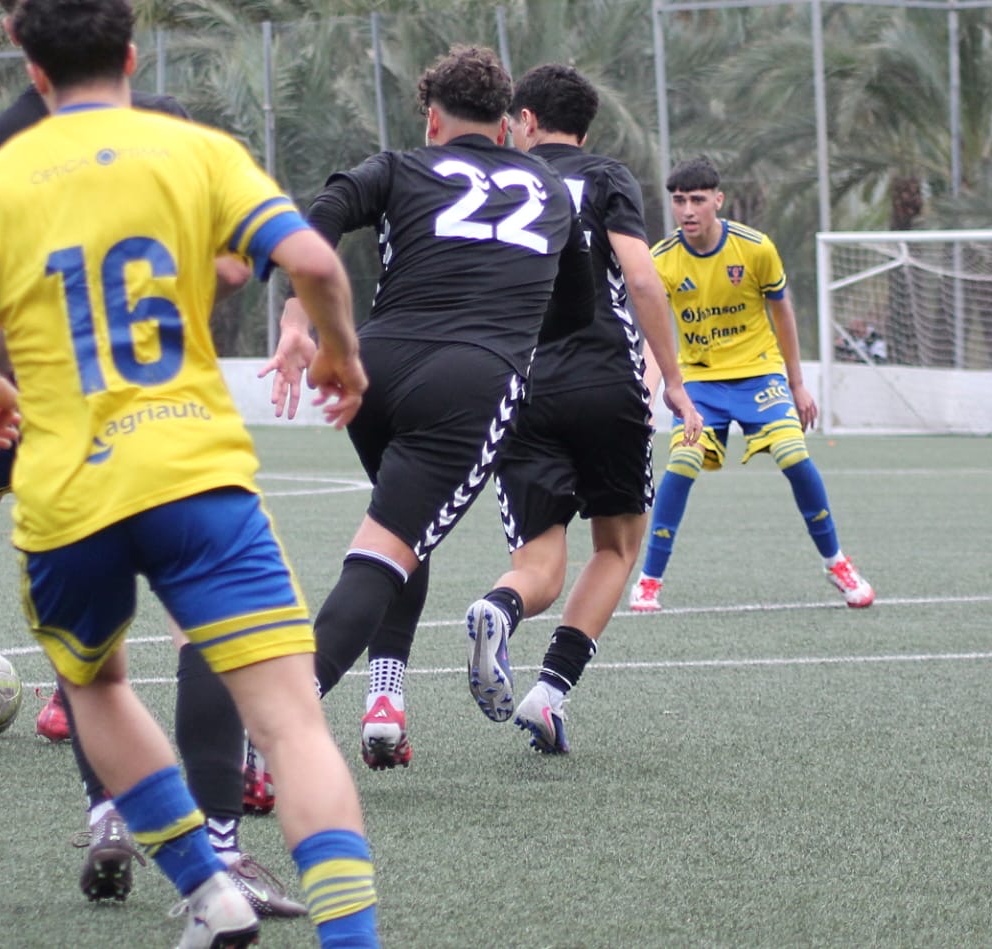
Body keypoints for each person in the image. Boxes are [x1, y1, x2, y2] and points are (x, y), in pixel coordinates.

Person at [0, 0, 381, 948]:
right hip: (195, 475)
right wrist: (339, 352)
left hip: (67, 493)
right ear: (132, 55)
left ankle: (205, 888)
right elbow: (312, 262)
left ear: (33, 70)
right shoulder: (196, 150)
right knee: (292, 724)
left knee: (96, 686)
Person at [0, 0, 296, 917]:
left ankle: (107, 811)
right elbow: (241, 259)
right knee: (200, 621)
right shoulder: (164, 125)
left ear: (19, 37)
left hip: (22, 405)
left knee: (84, 642)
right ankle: (221, 847)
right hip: (153, 408)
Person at [264, 45, 593, 770]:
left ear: (433, 120)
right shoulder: (550, 188)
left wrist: (297, 318)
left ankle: (385, 698)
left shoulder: (400, 165)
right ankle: (275, 729)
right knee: (386, 549)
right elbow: (576, 311)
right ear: (506, 126)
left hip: (375, 367)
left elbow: (320, 215)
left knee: (401, 530)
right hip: (469, 380)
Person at [457, 64, 701, 752]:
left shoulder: (494, 181)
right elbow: (643, 278)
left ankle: (500, 607)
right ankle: (549, 693)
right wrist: (673, 379)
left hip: (520, 386)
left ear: (526, 121)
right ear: (584, 131)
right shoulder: (605, 175)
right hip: (605, 382)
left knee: (538, 562)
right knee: (618, 546)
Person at [631, 156, 874, 613]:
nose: (687, 210)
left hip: (760, 375)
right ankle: (649, 579)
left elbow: (783, 314)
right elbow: (656, 334)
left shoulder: (755, 248)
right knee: (682, 463)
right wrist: (646, 393)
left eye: (697, 199)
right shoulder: (661, 259)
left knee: (794, 455)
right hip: (700, 382)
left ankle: (836, 562)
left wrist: (797, 384)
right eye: (679, 200)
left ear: (718, 200)